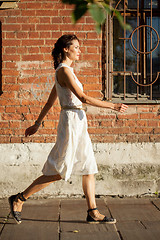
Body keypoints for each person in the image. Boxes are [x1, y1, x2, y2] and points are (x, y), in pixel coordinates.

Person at [8, 34, 128, 225]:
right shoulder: (63, 71)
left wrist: (37, 123)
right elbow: (83, 98)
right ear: (66, 49)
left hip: (79, 121)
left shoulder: (66, 71)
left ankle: (93, 212)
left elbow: (49, 102)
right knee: (61, 170)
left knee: (88, 167)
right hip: (71, 122)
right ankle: (20, 198)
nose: (80, 51)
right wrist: (113, 106)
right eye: (76, 47)